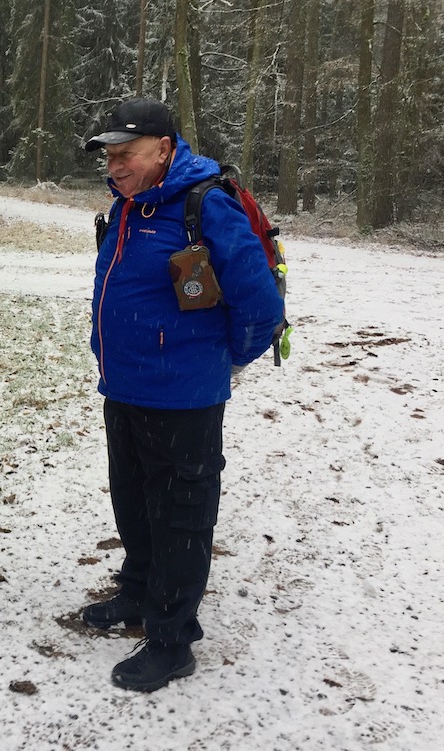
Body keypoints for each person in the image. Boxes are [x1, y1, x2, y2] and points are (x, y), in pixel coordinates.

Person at [81, 98, 284, 692]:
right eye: (110, 156)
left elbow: (260, 305)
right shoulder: (127, 207)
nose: (116, 165)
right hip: (124, 386)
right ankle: (141, 592)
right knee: (134, 496)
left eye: (128, 153)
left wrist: (216, 365)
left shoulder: (206, 204)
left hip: (184, 397)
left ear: (165, 149)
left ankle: (172, 641)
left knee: (180, 515)